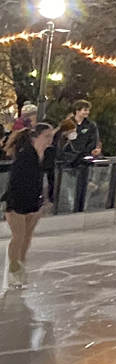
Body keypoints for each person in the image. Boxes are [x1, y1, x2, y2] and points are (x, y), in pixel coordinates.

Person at [4, 122, 55, 289]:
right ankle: (13, 269)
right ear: (35, 137)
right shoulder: (25, 154)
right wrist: (10, 203)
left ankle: (21, 263)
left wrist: (47, 198)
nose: (50, 140)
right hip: (17, 200)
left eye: (51, 137)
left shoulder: (48, 155)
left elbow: (49, 177)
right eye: (47, 136)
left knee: (27, 235)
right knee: (18, 235)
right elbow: (15, 182)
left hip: (35, 200)